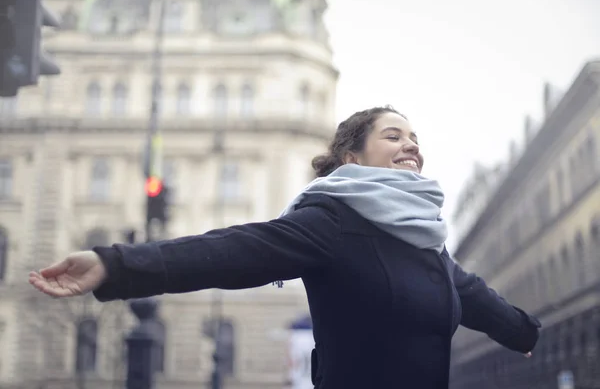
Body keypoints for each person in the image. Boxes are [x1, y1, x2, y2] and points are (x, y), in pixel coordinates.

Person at [29, 105, 540, 389]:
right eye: (393, 136)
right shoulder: (332, 220)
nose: (411, 145)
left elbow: (470, 293)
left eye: (414, 136)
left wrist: (522, 330)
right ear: (352, 156)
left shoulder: (424, 237)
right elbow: (236, 249)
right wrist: (113, 264)